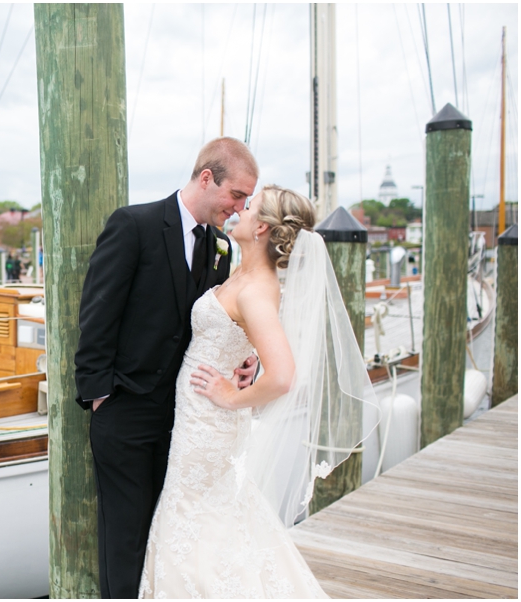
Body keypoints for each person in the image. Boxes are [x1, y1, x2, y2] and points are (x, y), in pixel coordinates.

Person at [138, 186, 375, 598]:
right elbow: (242, 337)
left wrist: (230, 396)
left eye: (248, 207)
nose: (240, 211)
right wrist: (247, 361)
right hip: (196, 418)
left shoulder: (257, 289)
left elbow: (284, 377)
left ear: (261, 226)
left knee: (195, 518)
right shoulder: (241, 274)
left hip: (210, 425)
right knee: (213, 520)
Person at [75, 137, 260, 599]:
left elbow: (212, 323)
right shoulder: (133, 225)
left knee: (168, 535)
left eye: (246, 201)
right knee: (125, 538)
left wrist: (246, 359)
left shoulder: (219, 246)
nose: (239, 209)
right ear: (205, 178)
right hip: (125, 412)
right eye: (236, 195)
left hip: (185, 420)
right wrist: (102, 398)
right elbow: (98, 315)